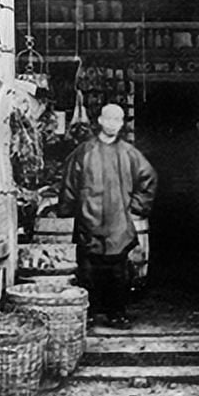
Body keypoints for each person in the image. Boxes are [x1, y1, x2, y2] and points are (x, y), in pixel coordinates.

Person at [58, 103, 157, 329]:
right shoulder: (83, 152)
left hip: (118, 223)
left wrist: (136, 208)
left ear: (122, 124)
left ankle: (117, 313)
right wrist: (67, 209)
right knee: (88, 271)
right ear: (100, 120)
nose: (112, 123)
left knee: (118, 272)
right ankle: (90, 313)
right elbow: (69, 185)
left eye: (118, 120)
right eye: (109, 119)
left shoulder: (130, 153)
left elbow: (148, 179)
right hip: (88, 220)